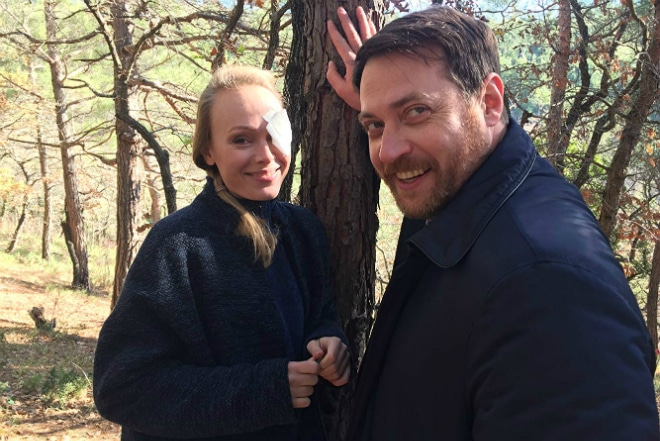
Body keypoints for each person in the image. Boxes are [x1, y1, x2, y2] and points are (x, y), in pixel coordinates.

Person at [327, 6, 659, 440]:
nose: (388, 151)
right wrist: (383, 99)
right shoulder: (464, 190)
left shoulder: (548, 286)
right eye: (374, 124)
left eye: (416, 111)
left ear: (489, 102)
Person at [93, 64, 350, 441]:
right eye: (241, 140)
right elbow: (122, 388)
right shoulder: (176, 244)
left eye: (273, 135)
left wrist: (328, 343)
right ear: (209, 151)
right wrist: (267, 391)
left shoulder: (304, 231)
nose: (265, 155)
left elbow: (321, 316)